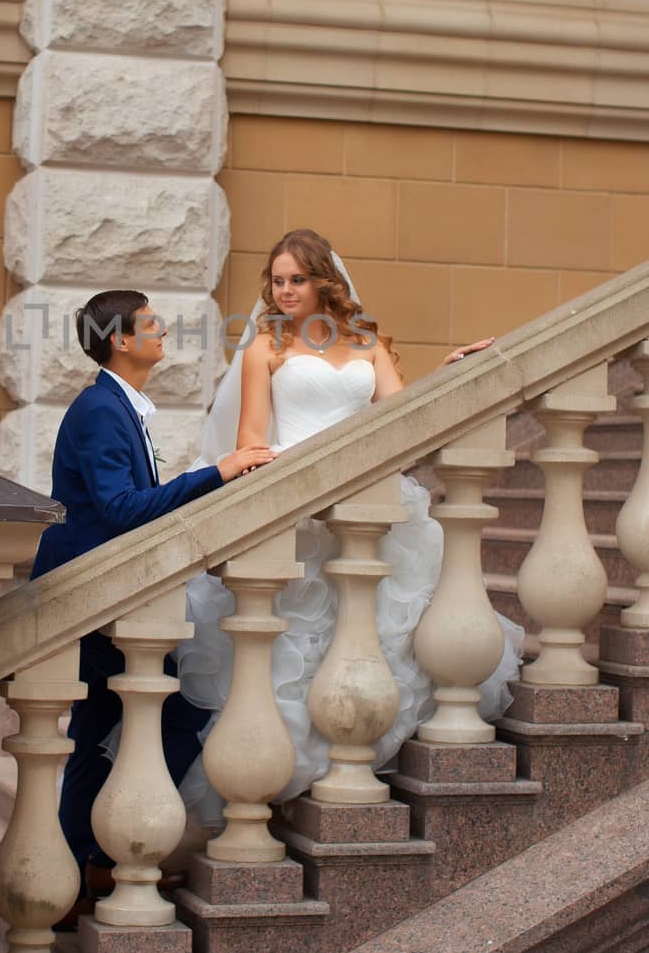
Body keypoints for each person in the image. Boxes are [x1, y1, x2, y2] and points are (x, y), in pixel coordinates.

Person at [175, 229, 523, 826]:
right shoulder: (266, 346)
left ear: (323, 282)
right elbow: (252, 443)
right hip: (302, 512)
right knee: (298, 646)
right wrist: (302, 484)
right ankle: (287, 772)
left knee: (374, 631)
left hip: (369, 504)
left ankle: (362, 745)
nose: (284, 290)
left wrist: (448, 373)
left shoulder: (366, 342)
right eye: (278, 280)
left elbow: (400, 418)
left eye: (297, 279)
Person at [31, 288, 274, 891]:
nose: (162, 331)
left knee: (100, 733)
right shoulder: (100, 410)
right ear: (121, 340)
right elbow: (117, 509)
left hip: (113, 596)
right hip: (97, 599)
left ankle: (85, 864)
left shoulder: (118, 405)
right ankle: (85, 863)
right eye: (150, 323)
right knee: (165, 715)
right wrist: (215, 473)